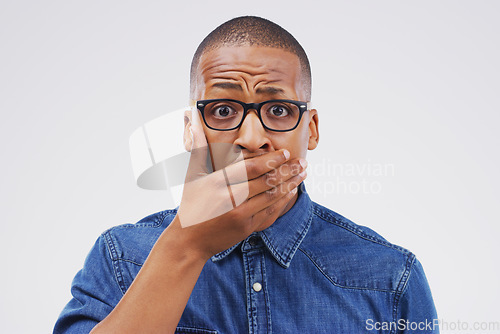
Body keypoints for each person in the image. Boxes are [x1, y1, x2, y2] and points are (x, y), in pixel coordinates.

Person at [54, 16, 439, 333]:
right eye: (223, 110)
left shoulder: (390, 277)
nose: (252, 139)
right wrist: (186, 246)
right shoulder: (122, 260)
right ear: (190, 132)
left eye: (278, 110)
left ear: (313, 130)